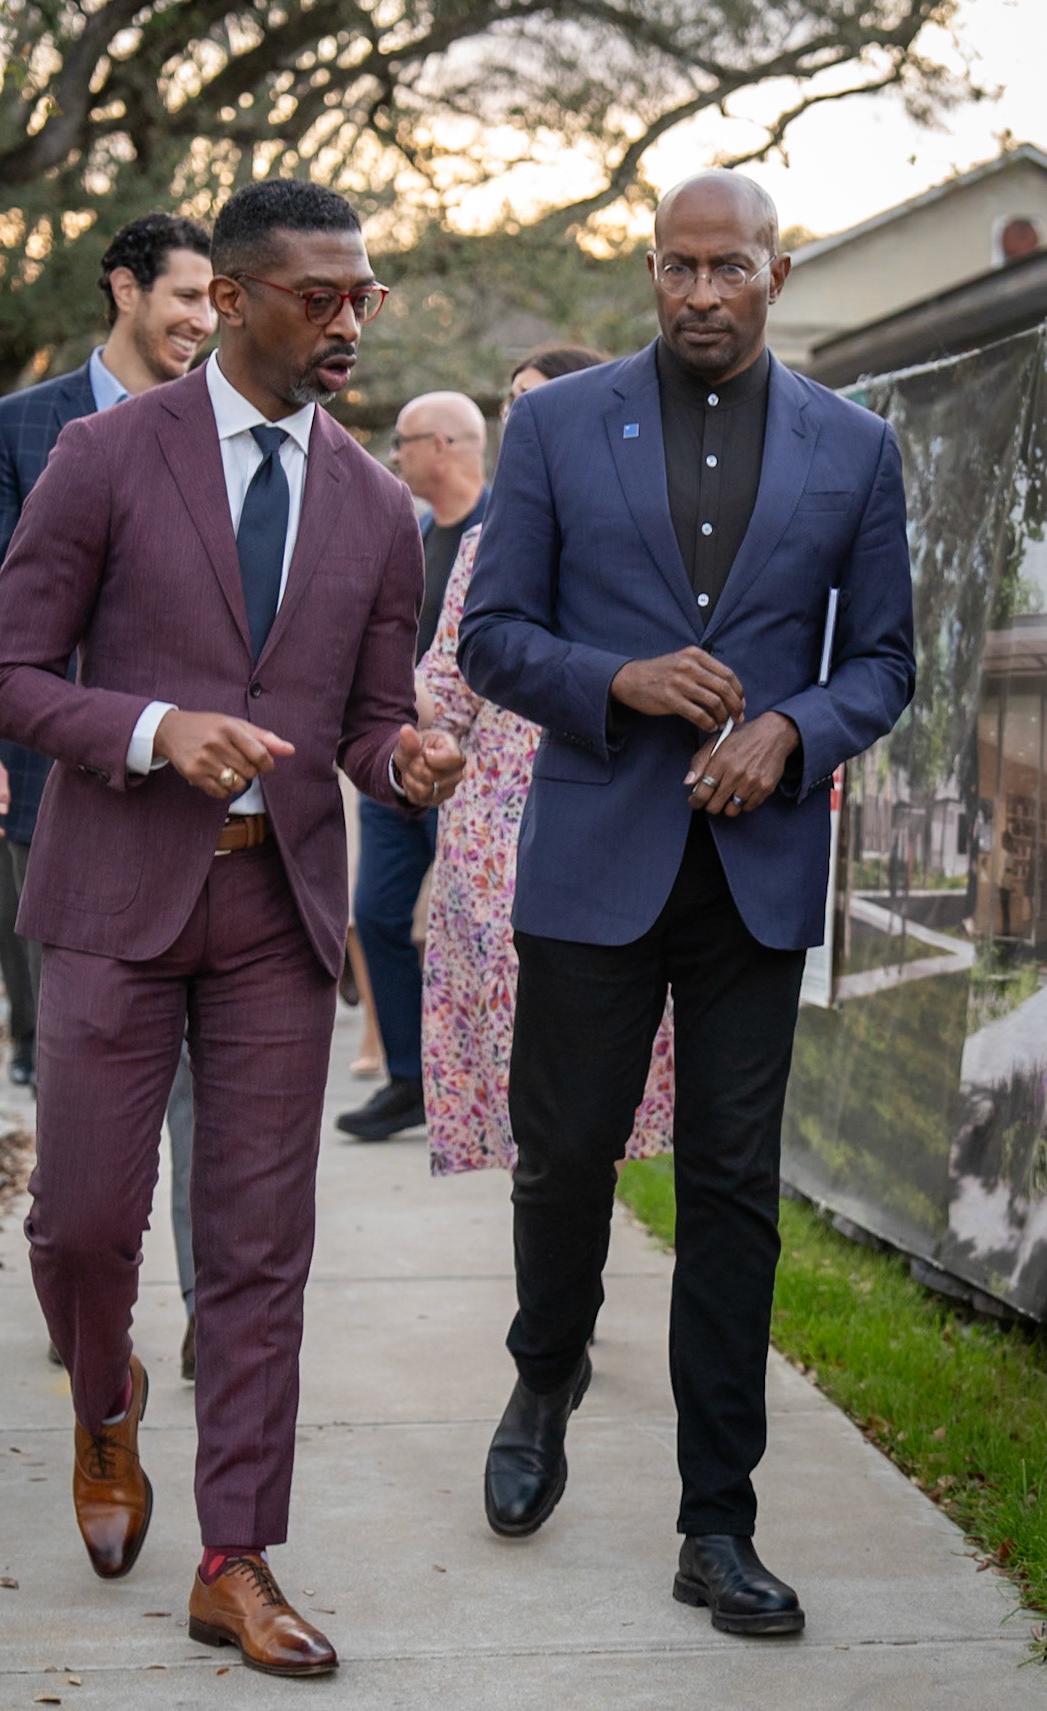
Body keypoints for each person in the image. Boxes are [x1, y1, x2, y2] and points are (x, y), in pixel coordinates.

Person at [0, 176, 463, 1680]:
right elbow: (6, 674)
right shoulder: (104, 455)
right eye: (320, 296)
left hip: (273, 913)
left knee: (257, 1249)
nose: (348, 320)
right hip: (112, 898)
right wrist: (152, 728)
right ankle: (104, 1403)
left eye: (363, 294)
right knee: (84, 1223)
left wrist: (403, 759)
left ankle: (235, 1558)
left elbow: (366, 717)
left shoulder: (377, 505)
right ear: (232, 299)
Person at [458, 170, 914, 1636]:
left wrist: (792, 730)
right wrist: (620, 680)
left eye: (728, 268)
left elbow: (884, 662)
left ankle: (717, 1521)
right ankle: (545, 1370)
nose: (701, 292)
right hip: (593, 858)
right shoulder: (554, 427)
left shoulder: (857, 448)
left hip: (754, 872)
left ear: (778, 272)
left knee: (730, 1190)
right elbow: (491, 635)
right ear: (650, 269)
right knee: (563, 1157)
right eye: (677, 266)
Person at [0, 211, 215, 1366]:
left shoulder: (233, 424)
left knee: (204, 1070)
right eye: (186, 295)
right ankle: (89, 1309)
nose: (203, 319)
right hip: (52, 788)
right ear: (124, 288)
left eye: (216, 300)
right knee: (83, 1060)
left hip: (197, 793)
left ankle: (214, 1309)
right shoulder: (23, 426)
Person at [418, 345, 674, 1176]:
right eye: (510, 402)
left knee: (606, 1052)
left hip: (611, 805)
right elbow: (447, 685)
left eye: (536, 399)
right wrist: (412, 724)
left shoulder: (646, 531)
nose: (518, 416)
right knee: (526, 1064)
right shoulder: (484, 543)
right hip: (495, 833)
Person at [337, 391, 490, 1141]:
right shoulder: (415, 532)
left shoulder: (505, 533)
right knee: (376, 912)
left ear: (442, 446)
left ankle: (490, 1082)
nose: (392, 456)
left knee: (472, 931)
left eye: (402, 441)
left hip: (472, 773)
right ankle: (409, 1079)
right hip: (394, 760)